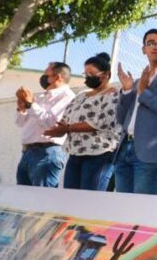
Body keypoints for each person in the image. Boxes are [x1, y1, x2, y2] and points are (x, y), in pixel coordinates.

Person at [114, 28, 157, 194]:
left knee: (141, 206)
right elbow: (121, 118)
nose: (156, 46)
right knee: (122, 205)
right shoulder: (138, 81)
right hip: (124, 148)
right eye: (151, 43)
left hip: (151, 153)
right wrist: (127, 91)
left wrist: (145, 94)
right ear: (144, 49)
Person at [45, 53, 121, 191]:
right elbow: (67, 117)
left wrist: (67, 128)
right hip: (75, 154)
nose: (87, 77)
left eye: (91, 73)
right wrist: (58, 129)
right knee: (71, 197)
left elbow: (99, 122)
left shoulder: (112, 94)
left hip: (99, 155)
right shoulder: (81, 95)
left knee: (90, 198)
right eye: (85, 74)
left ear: (106, 75)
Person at [15, 62, 75, 188]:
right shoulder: (41, 96)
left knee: (42, 197)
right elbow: (19, 123)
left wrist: (31, 105)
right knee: (23, 196)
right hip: (27, 152)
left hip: (47, 153)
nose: (43, 78)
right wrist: (22, 108)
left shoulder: (67, 97)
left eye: (46, 75)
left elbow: (51, 122)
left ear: (58, 77)